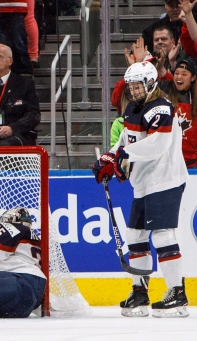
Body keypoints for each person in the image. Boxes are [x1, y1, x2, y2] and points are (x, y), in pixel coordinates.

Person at [92, 61, 189, 318]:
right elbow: (125, 141)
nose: (133, 92)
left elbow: (157, 145)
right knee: (135, 237)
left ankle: (177, 295)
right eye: (131, 87)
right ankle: (140, 291)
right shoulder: (134, 109)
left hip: (165, 180)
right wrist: (108, 158)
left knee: (163, 236)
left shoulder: (162, 108)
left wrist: (123, 154)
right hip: (144, 183)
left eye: (137, 87)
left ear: (149, 84)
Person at [159, 58, 197, 168]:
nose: (179, 77)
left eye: (184, 74)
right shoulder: (164, 90)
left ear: (193, 77)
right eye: (176, 73)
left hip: (192, 164)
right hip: (168, 163)